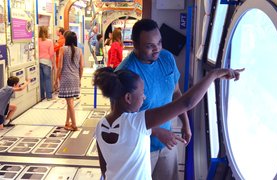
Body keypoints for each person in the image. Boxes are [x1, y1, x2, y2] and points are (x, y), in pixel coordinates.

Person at [94, 67, 244, 179]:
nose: (144, 98)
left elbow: (104, 169)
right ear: (128, 98)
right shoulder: (137, 121)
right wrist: (214, 74)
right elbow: (187, 103)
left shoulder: (100, 125)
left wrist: (157, 131)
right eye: (142, 94)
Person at [116, 19, 190, 179]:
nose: (157, 49)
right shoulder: (125, 73)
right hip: (139, 149)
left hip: (167, 143)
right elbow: (122, 120)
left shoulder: (167, 58)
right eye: (149, 46)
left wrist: (186, 123)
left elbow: (176, 93)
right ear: (135, 44)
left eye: (159, 43)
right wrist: (156, 132)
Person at [55, 31, 84, 131]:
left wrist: (56, 80)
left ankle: (74, 125)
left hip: (66, 78)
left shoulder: (63, 49)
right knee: (70, 101)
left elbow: (60, 66)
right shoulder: (79, 50)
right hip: (75, 77)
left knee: (70, 102)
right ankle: (67, 122)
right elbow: (81, 67)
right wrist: (79, 78)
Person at [38, 26, 55, 101]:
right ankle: (49, 96)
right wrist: (53, 63)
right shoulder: (49, 41)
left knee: (41, 80)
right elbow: (51, 53)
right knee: (48, 79)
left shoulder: (37, 41)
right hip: (46, 62)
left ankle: (42, 96)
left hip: (38, 62)